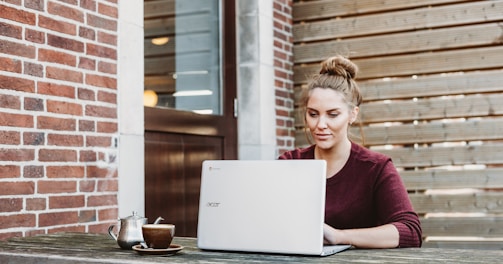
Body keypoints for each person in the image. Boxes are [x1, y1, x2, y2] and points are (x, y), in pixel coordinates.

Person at [278, 55, 422, 248]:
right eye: (313, 114)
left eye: (333, 114)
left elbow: (410, 231)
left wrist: (339, 236)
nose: (320, 125)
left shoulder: (376, 168)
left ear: (352, 115)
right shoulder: (290, 163)